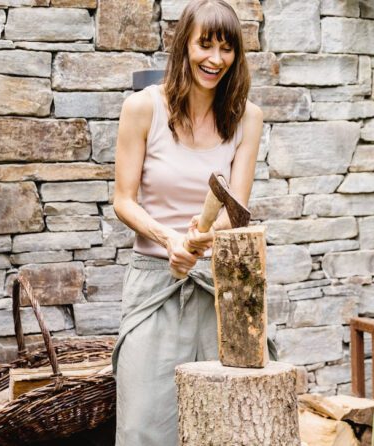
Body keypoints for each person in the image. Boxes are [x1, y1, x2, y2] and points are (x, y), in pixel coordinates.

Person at [110, 0, 263, 443]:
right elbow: (123, 200)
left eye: (227, 48)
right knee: (144, 427)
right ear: (184, 45)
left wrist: (199, 240)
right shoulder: (143, 108)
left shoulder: (247, 118)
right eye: (205, 45)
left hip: (221, 290)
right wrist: (170, 240)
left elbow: (236, 212)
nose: (215, 59)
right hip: (155, 286)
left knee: (227, 426)